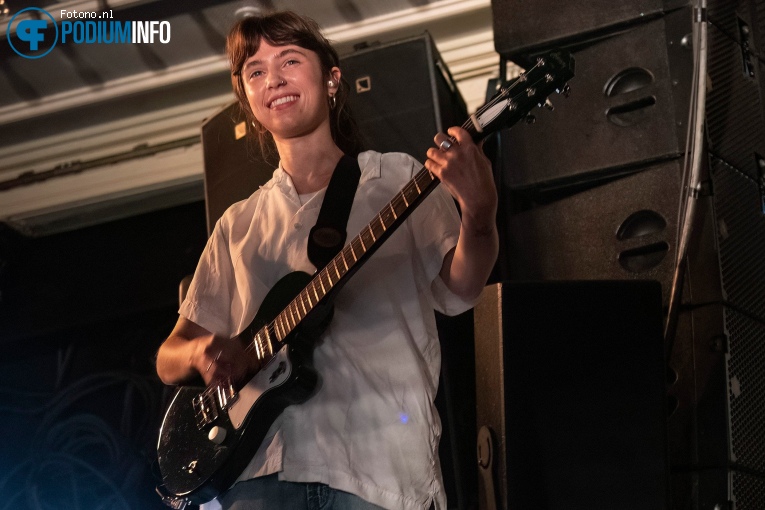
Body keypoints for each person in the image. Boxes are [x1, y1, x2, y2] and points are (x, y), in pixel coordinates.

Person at [156, 10, 498, 510]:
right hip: (260, 473)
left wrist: (481, 212)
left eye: (289, 60)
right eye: (255, 71)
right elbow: (170, 356)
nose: (273, 78)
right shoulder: (238, 224)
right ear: (248, 102)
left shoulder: (396, 178)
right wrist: (203, 353)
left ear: (332, 79)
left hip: (379, 473)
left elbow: (463, 287)